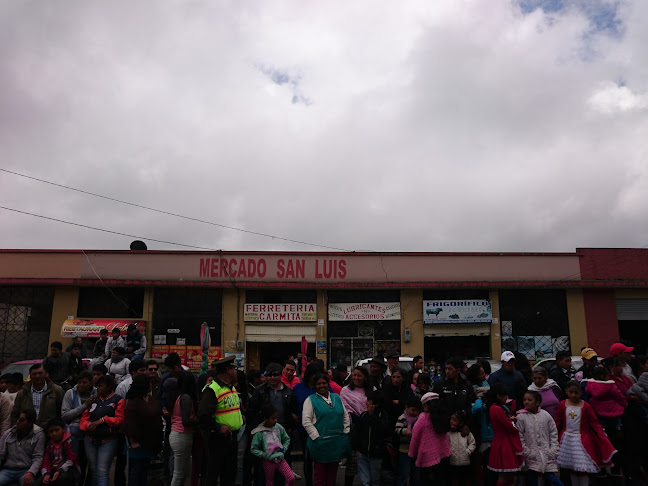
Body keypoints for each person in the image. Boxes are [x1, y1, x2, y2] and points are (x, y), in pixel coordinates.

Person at [556, 380, 616, 486]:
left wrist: (602, 436)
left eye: (576, 392)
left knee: (583, 468)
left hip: (583, 441)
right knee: (573, 468)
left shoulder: (586, 406)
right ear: (566, 391)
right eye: (571, 392)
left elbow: (595, 423)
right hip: (567, 441)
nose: (574, 395)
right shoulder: (562, 404)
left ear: (581, 392)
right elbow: (557, 422)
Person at [198, 355, 243, 486]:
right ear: (228, 370)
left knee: (229, 475)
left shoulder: (230, 387)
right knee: (212, 474)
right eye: (234, 368)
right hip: (217, 439)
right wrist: (218, 427)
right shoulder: (213, 389)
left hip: (232, 437)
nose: (236, 371)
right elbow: (202, 415)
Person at [302, 373, 351, 486]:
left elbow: (345, 416)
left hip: (335, 443)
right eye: (318, 384)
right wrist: (317, 437)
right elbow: (306, 422)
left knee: (332, 476)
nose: (321, 386)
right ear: (315, 386)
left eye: (324, 383)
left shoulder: (336, 398)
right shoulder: (310, 400)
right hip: (319, 444)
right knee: (320, 477)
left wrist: (345, 432)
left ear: (328, 384)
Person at [79, 375, 125, 486]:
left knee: (102, 471)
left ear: (109, 386)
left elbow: (120, 419)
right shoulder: (93, 400)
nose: (98, 388)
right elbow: (83, 419)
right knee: (94, 471)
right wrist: (88, 425)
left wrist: (103, 420)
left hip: (107, 440)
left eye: (101, 386)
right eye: (97, 386)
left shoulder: (118, 400)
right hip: (90, 439)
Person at [121, 374, 163, 486]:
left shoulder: (150, 398)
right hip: (137, 443)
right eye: (148, 383)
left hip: (149, 440)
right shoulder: (133, 402)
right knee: (136, 472)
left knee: (144, 471)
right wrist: (133, 441)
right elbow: (129, 423)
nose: (150, 385)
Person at [516, 390, 562, 486]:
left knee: (552, 478)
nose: (526, 402)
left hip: (547, 453)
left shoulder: (546, 415)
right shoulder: (521, 417)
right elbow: (519, 435)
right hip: (532, 455)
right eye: (524, 400)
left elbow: (553, 432)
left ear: (537, 403)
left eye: (529, 400)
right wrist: (527, 452)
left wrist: (553, 449)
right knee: (532, 479)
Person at [408, 392, 452, 485]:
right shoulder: (443, 416)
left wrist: (412, 453)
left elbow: (415, 437)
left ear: (426, 405)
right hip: (443, 454)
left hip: (427, 457)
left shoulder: (423, 418)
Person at [61, 370, 96, 484]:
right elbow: (65, 415)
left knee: (92, 464)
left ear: (91, 383)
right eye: (79, 382)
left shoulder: (96, 393)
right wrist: (84, 406)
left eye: (84, 382)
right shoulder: (70, 393)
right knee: (77, 464)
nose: (81, 385)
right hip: (75, 437)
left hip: (92, 435)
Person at [340, 366, 372, 486]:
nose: (356, 378)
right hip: (353, 430)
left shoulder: (371, 390)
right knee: (352, 463)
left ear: (365, 377)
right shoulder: (345, 391)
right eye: (354, 375)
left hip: (369, 429)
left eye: (359, 375)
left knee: (368, 462)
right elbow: (344, 409)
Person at [486, 382, 523, 486]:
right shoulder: (498, 409)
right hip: (504, 444)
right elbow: (510, 427)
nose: (507, 398)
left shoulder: (493, 408)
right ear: (499, 396)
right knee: (505, 474)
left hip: (498, 442)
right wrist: (513, 422)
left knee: (506, 474)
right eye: (505, 395)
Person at [251, 404, 295, 486]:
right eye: (273, 418)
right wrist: (265, 455)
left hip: (281, 459)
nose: (275, 420)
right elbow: (253, 449)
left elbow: (287, 439)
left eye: (276, 418)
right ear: (265, 418)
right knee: (269, 482)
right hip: (268, 462)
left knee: (291, 477)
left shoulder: (278, 427)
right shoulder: (259, 432)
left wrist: (284, 449)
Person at [352, 391, 390, 486]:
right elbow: (357, 433)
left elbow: (382, 430)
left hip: (376, 455)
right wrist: (356, 449)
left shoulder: (383, 416)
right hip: (362, 454)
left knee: (375, 481)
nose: (366, 403)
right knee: (365, 482)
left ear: (375, 404)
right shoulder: (364, 415)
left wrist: (372, 415)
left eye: (369, 401)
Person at [0, 409, 46, 486]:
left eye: (22, 420)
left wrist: (31, 472)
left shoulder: (39, 435)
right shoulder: (8, 434)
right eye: (18, 419)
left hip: (26, 470)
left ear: (30, 422)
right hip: (8, 469)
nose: (18, 422)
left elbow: (38, 457)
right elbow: (1, 454)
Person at [168, 371, 199, 486]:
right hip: (182, 435)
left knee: (183, 473)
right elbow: (186, 421)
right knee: (179, 474)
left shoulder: (178, 396)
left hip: (177, 434)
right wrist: (201, 421)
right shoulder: (186, 398)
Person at [11, 363, 64, 428]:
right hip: (27, 430)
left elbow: (61, 412)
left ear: (46, 374)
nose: (37, 376)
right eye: (34, 374)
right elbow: (15, 413)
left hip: (49, 430)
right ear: (30, 376)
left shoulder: (56, 390)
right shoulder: (23, 393)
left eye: (40, 373)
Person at [37, 417, 79, 486]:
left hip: (68, 470)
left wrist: (60, 471)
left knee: (62, 479)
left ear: (63, 429)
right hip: (53, 470)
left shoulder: (71, 441)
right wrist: (46, 474)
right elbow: (45, 462)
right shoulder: (48, 445)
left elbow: (72, 460)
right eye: (51, 431)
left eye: (57, 430)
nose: (54, 433)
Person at [395, 396, 422, 486]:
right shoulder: (402, 418)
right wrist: (404, 431)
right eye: (413, 410)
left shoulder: (419, 419)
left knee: (416, 475)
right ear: (406, 407)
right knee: (404, 474)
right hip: (404, 451)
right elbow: (397, 430)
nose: (415, 413)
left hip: (416, 451)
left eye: (417, 410)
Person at [448, 411, 476, 486]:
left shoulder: (467, 433)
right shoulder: (448, 433)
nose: (451, 421)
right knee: (455, 481)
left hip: (465, 463)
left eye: (454, 420)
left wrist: (468, 451)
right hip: (453, 463)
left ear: (460, 422)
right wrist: (449, 452)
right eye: (451, 419)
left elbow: (472, 443)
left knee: (466, 480)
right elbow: (446, 444)